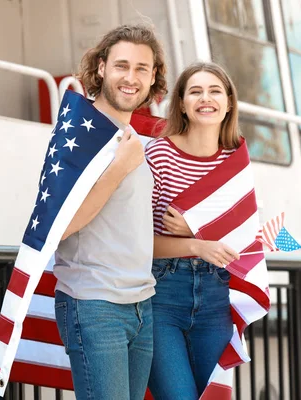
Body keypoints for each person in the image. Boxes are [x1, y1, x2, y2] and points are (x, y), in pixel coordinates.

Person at [53, 24, 167, 400]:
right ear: (101, 68)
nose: (130, 77)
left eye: (141, 69)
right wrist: (118, 168)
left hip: (140, 305)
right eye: (121, 65)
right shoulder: (80, 133)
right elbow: (62, 224)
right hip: (95, 305)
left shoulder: (135, 139)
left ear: (153, 78)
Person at [145, 62, 245, 399]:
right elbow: (136, 241)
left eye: (215, 90)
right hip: (162, 295)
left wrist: (195, 229)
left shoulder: (235, 161)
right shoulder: (159, 154)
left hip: (217, 296)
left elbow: (246, 236)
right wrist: (198, 246)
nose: (206, 98)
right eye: (196, 91)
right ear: (183, 103)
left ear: (229, 102)